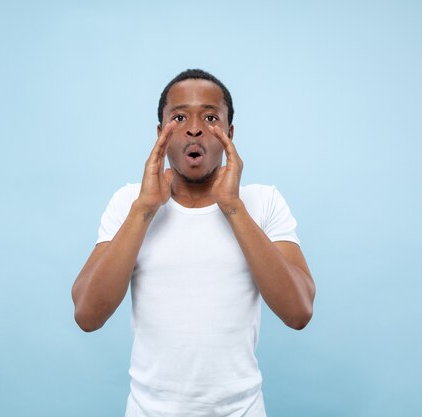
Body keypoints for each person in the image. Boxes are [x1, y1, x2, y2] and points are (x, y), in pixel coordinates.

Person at [71, 69, 316, 417]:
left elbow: (299, 311)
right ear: (161, 133)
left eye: (211, 117)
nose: (195, 128)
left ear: (229, 134)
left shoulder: (264, 202)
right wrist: (145, 208)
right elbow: (87, 314)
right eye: (180, 116)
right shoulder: (130, 202)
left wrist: (233, 206)